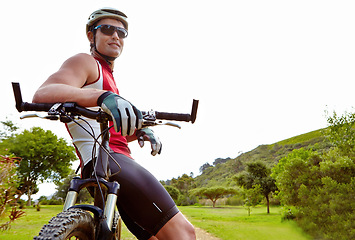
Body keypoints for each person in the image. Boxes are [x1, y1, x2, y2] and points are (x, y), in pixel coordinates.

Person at [32, 7, 196, 240]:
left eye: (121, 32)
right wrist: (102, 97)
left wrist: (138, 131)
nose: (115, 36)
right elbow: (44, 93)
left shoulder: (108, 76)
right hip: (112, 163)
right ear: (91, 35)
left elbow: (108, 132)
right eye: (107, 29)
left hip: (101, 168)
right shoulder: (86, 63)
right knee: (183, 233)